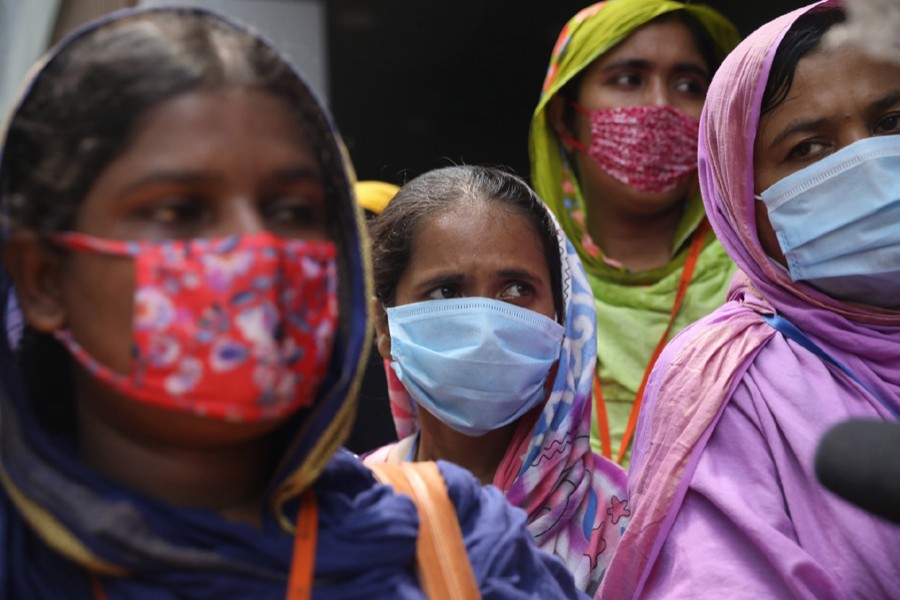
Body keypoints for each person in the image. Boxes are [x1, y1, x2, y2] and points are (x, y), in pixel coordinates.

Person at [0, 7, 589, 598]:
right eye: (181, 210)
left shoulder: (463, 549)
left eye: (292, 212)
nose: (258, 249)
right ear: (45, 279)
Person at [599, 2, 900, 597]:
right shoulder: (729, 378)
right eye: (809, 148)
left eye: (892, 122)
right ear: (742, 200)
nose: (869, 165)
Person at [363, 165, 629, 596]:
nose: (485, 325)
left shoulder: (623, 521)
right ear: (385, 327)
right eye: (446, 291)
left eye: (515, 290)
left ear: (563, 320)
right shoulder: (352, 502)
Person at [529, 0, 740, 465]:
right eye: (629, 79)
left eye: (688, 85)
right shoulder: (521, 285)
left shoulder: (759, 282)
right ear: (565, 116)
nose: (660, 107)